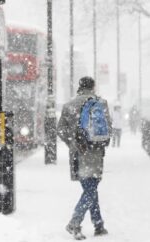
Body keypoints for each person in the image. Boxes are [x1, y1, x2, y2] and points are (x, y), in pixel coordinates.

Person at [57, 76, 112, 240]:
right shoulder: (101, 103)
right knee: (91, 188)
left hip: (77, 153)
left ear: (79, 87)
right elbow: (108, 127)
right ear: (93, 87)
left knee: (89, 188)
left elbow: (60, 129)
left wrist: (73, 143)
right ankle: (77, 222)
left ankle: (98, 224)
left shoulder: (68, 106)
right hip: (96, 152)